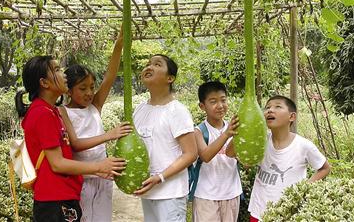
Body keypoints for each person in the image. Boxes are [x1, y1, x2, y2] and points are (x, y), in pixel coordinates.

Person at [15, 55, 127, 222]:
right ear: (44, 83)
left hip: (63, 195)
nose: (64, 75)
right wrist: (99, 166)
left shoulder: (50, 111)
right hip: (54, 199)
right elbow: (57, 163)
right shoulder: (42, 114)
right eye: (57, 70)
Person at [60, 29, 133, 222]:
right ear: (68, 91)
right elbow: (75, 144)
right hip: (81, 178)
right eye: (82, 88)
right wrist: (109, 135)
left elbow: (110, 76)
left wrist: (118, 45)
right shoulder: (63, 112)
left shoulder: (95, 106)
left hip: (103, 176)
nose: (89, 92)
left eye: (92, 87)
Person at [242, 95, 331, 221]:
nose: (270, 110)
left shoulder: (304, 145)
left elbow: (325, 168)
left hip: (287, 213)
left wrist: (304, 188)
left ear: (292, 116)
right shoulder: (261, 140)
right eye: (267, 108)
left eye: (278, 106)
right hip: (258, 211)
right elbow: (247, 165)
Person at [133, 54, 198, 222]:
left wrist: (160, 177)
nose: (149, 67)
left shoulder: (177, 111)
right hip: (149, 192)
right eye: (148, 64)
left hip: (171, 194)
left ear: (170, 78)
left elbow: (191, 153)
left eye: (157, 64)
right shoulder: (140, 109)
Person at [192, 81, 242, 222]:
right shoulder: (199, 131)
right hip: (206, 196)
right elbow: (206, 156)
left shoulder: (235, 128)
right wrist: (226, 134)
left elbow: (241, 158)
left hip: (232, 193)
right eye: (213, 101)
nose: (220, 106)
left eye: (223, 100)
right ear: (202, 106)